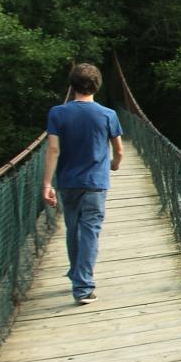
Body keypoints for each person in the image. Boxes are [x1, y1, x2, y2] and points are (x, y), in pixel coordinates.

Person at [42, 63, 124, 304]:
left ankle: (76, 274)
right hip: (96, 183)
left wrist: (47, 183)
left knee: (73, 229)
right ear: (97, 86)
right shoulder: (108, 114)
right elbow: (119, 150)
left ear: (71, 86)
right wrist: (115, 164)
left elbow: (53, 149)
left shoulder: (57, 113)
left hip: (68, 182)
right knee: (89, 231)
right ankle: (83, 286)